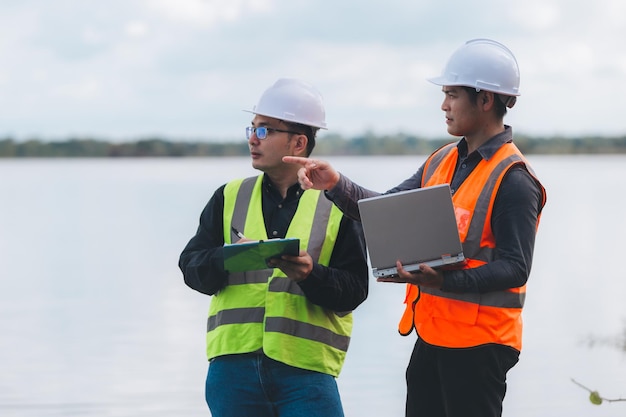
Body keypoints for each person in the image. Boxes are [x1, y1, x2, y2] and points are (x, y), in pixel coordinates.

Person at [284, 39, 547, 417]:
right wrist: (335, 184)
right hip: (432, 337)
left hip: (481, 347)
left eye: (452, 95)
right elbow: (382, 210)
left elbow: (515, 268)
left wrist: (443, 282)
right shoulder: (442, 159)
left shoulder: (514, 179)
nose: (444, 105)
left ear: (486, 100)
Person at [178, 78, 369, 417]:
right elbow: (191, 268)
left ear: (298, 142)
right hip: (232, 371)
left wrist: (311, 275)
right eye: (251, 129)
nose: (253, 139)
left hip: (307, 373)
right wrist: (229, 258)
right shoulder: (228, 196)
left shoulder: (338, 204)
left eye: (265, 131)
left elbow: (354, 291)